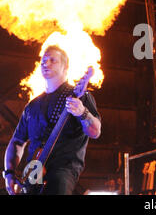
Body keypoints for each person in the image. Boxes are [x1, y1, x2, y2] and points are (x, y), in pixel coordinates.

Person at [3, 45, 101, 195]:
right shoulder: (32, 106)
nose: (46, 64)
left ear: (66, 66)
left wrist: (82, 112)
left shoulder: (79, 96)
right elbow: (17, 142)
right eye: (43, 61)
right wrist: (9, 173)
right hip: (32, 173)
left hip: (62, 170)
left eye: (52, 60)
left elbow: (95, 131)